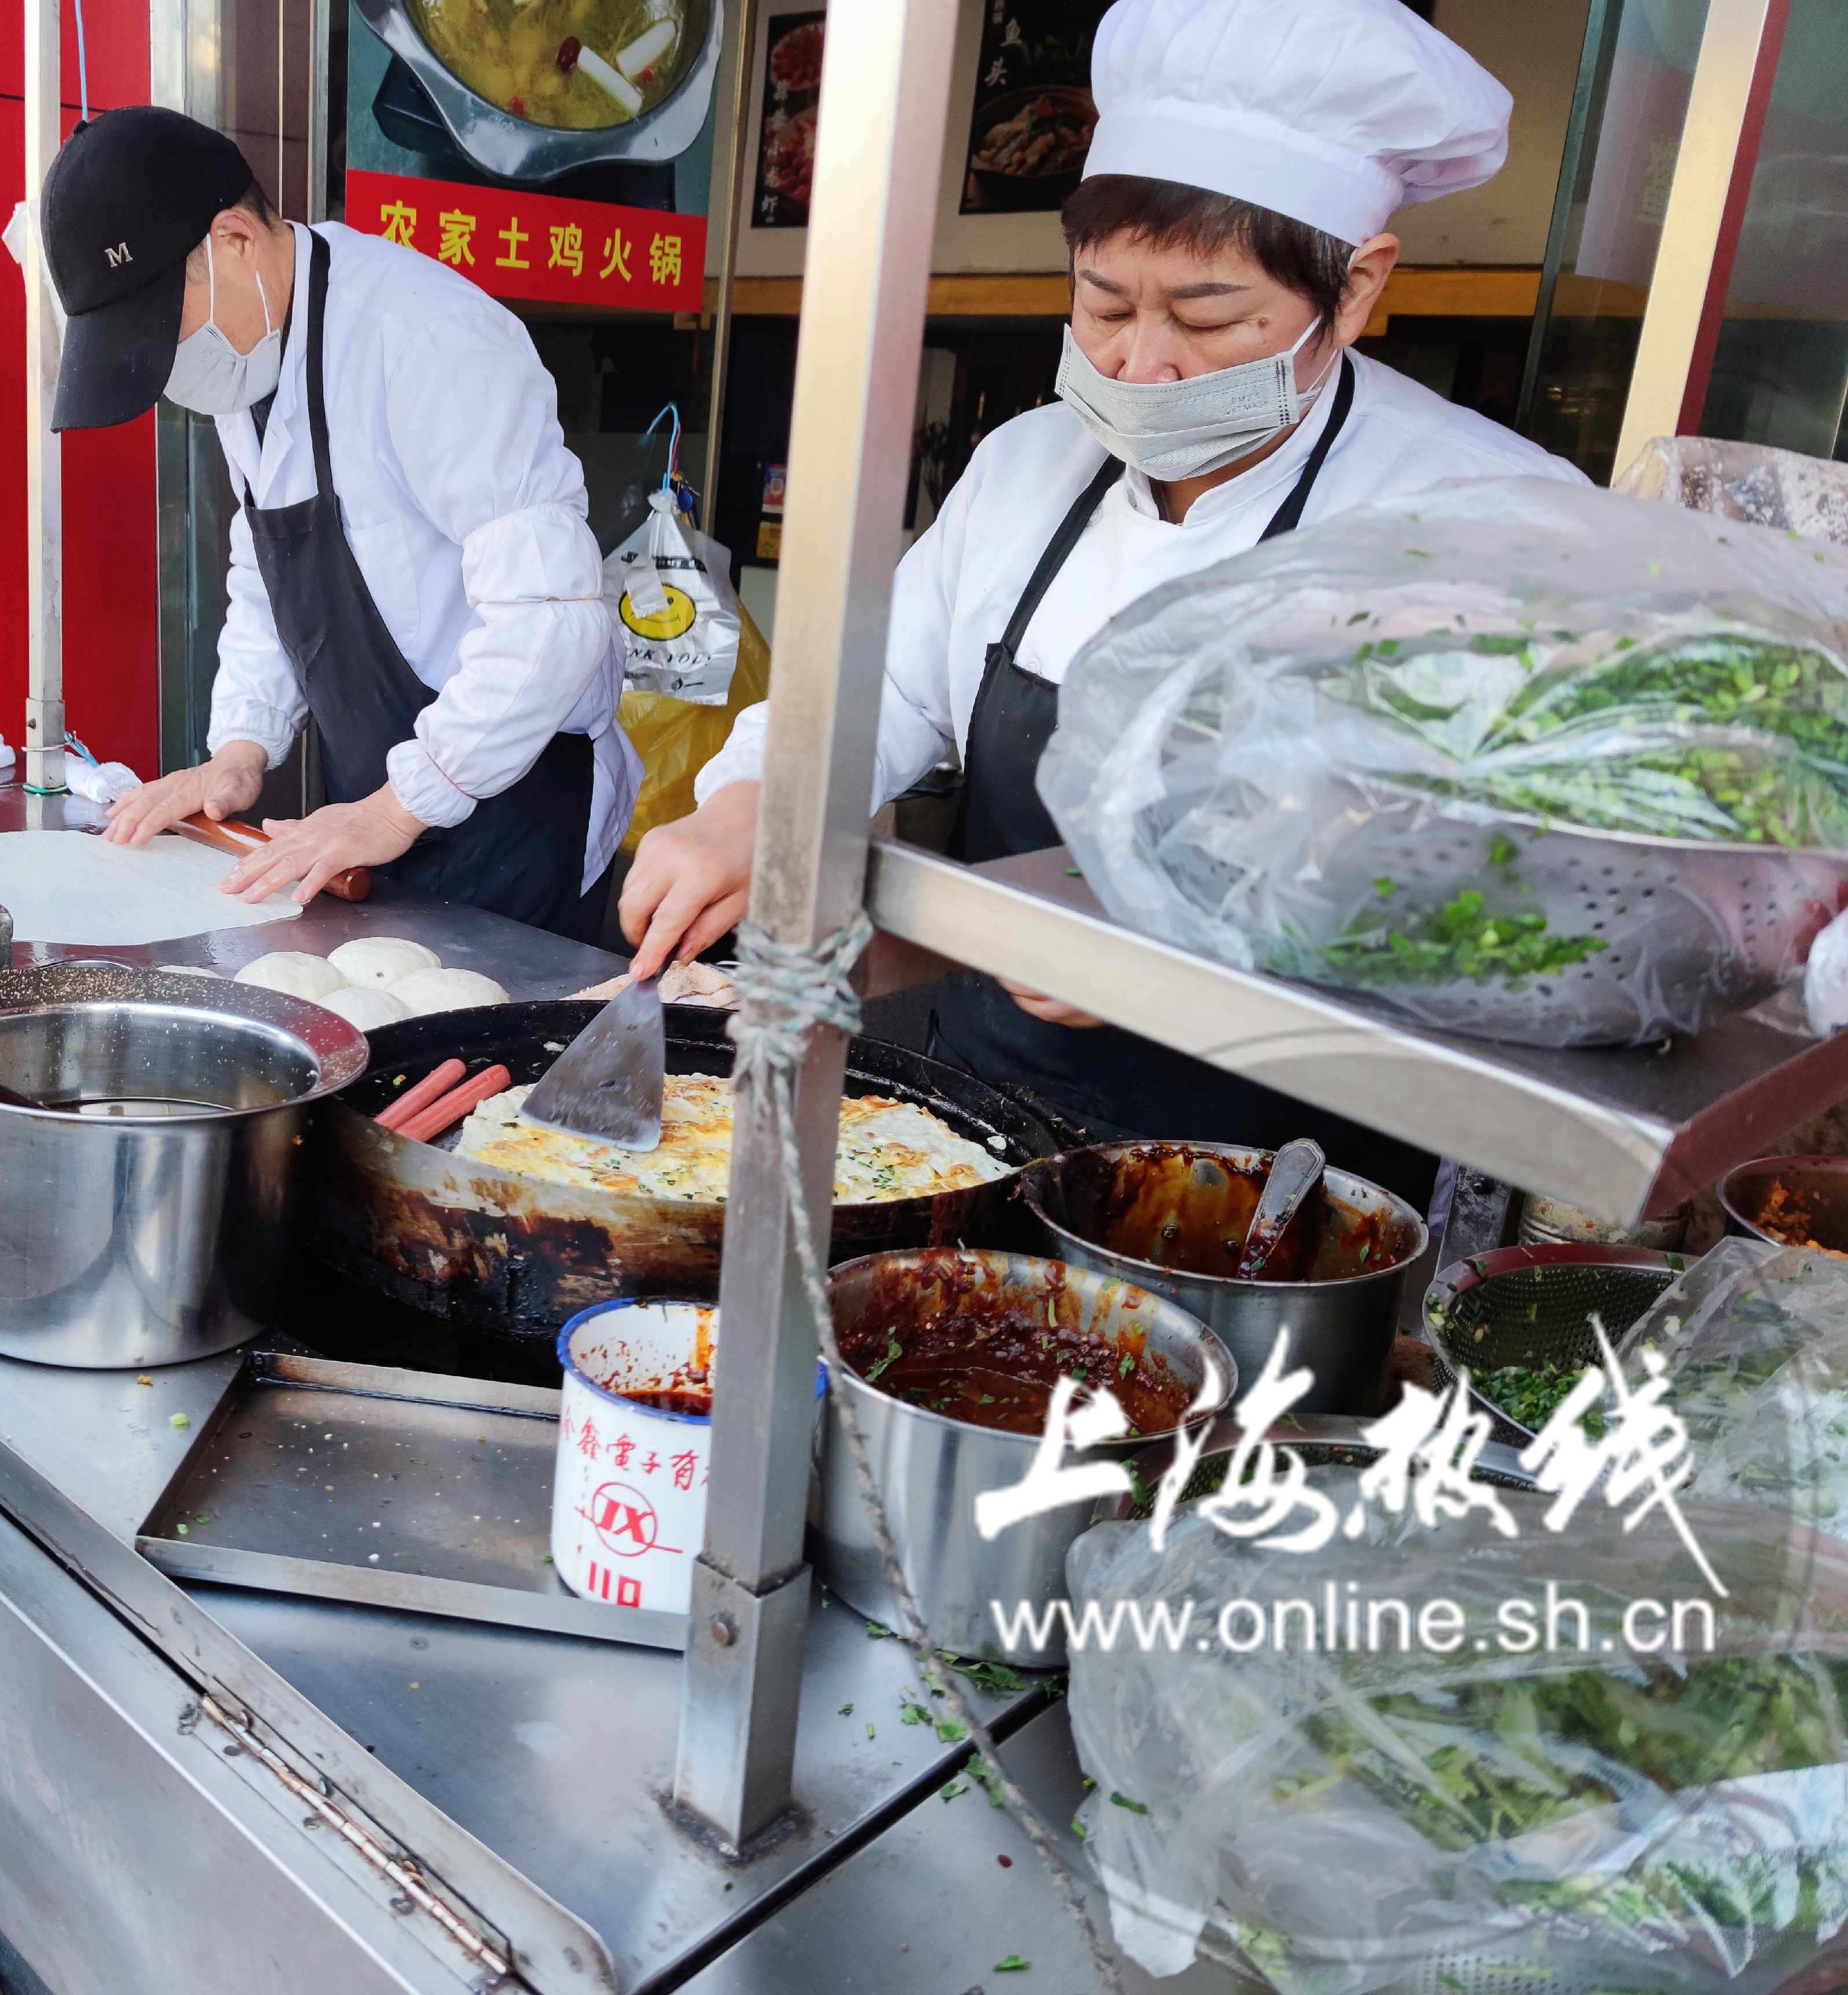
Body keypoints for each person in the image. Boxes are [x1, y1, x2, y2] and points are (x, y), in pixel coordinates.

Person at [619, 0, 1586, 1190]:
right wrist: (751, 805)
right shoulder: (1031, 465)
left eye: (1207, 316)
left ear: (1356, 288)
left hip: (1282, 1171)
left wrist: (1195, 937)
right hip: (974, 1102)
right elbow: (880, 690)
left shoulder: (1489, 517)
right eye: (1105, 304)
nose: (1139, 365)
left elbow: (1530, 881)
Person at [40, 107, 633, 940]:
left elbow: (552, 624)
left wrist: (398, 809)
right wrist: (241, 749)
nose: (168, 370)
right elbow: (268, 578)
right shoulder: (249, 353)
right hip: (378, 810)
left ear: (236, 243)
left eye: (160, 334)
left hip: (517, 807)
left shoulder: (424, 338)